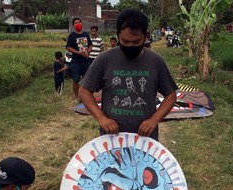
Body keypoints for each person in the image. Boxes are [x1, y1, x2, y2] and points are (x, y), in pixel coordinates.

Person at [79, 9, 178, 142]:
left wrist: (154, 120)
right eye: (125, 42)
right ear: (118, 35)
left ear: (146, 36)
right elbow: (84, 91)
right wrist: (101, 118)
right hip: (111, 139)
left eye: (136, 42)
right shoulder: (104, 59)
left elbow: (171, 96)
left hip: (146, 140)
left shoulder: (156, 61)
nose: (130, 46)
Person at [66, 17, 93, 99]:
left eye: (79, 22)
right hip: (76, 61)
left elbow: (90, 45)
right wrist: (78, 52)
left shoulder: (86, 34)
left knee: (87, 79)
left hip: (86, 60)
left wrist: (88, 51)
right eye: (76, 23)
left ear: (82, 23)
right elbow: (68, 47)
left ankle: (86, 95)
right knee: (76, 79)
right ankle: (77, 95)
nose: (78, 24)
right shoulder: (72, 35)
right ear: (73, 25)